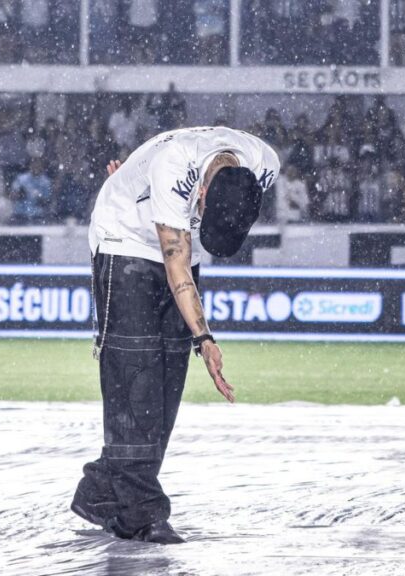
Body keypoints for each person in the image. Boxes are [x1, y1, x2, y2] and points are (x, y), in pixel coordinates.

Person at [72, 126, 279, 544]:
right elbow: (177, 267)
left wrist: (137, 172)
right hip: (126, 237)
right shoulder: (176, 166)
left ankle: (100, 489)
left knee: (167, 384)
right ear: (202, 193)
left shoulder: (265, 163)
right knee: (136, 375)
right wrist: (205, 338)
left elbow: (192, 254)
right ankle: (142, 514)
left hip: (183, 246)